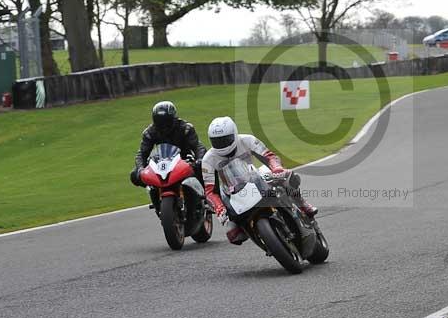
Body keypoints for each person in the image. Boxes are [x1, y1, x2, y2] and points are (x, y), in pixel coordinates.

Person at [202, 116, 317, 244]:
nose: (222, 144)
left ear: (234, 133)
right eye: (217, 141)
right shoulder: (208, 159)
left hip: (254, 176)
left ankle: (302, 203)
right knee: (233, 235)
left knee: (287, 178)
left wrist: (277, 168)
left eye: (225, 139)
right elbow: (209, 190)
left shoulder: (247, 140)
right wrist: (219, 208)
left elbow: (269, 156)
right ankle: (251, 231)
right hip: (231, 190)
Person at [130, 101, 207, 210]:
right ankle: (154, 192)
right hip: (161, 163)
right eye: (160, 124)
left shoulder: (186, 128)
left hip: (184, 162)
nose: (164, 127)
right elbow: (142, 153)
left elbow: (198, 146)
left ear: (174, 119)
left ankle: (208, 196)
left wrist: (200, 160)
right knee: (134, 175)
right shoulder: (150, 132)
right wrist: (140, 168)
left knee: (206, 164)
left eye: (167, 123)